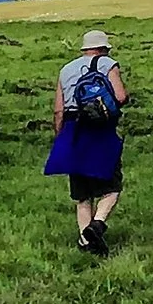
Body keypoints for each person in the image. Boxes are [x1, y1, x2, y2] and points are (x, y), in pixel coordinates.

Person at [44, 27, 129, 255]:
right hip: (100, 130)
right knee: (112, 186)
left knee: (82, 194)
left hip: (73, 129)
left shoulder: (65, 70)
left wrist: (61, 137)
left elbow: (58, 110)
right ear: (103, 49)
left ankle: (85, 242)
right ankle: (97, 224)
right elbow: (121, 96)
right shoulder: (108, 64)